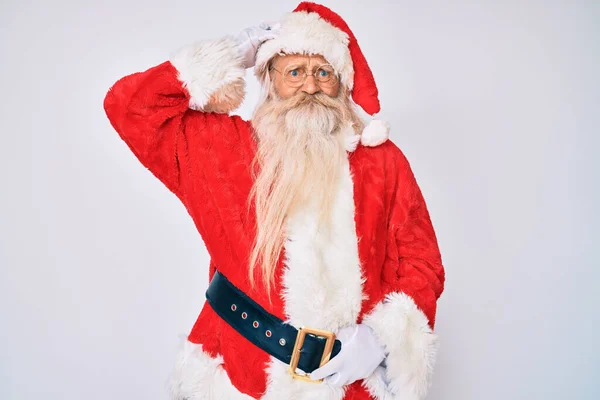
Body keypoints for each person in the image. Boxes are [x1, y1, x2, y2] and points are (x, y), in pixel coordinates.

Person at [103, 2, 445, 399]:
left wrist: (381, 338)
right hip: (239, 377)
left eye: (323, 73)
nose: (310, 86)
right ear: (268, 78)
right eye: (294, 72)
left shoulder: (382, 161)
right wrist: (229, 53)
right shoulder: (221, 148)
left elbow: (422, 264)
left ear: (342, 83)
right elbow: (129, 109)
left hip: (348, 386)